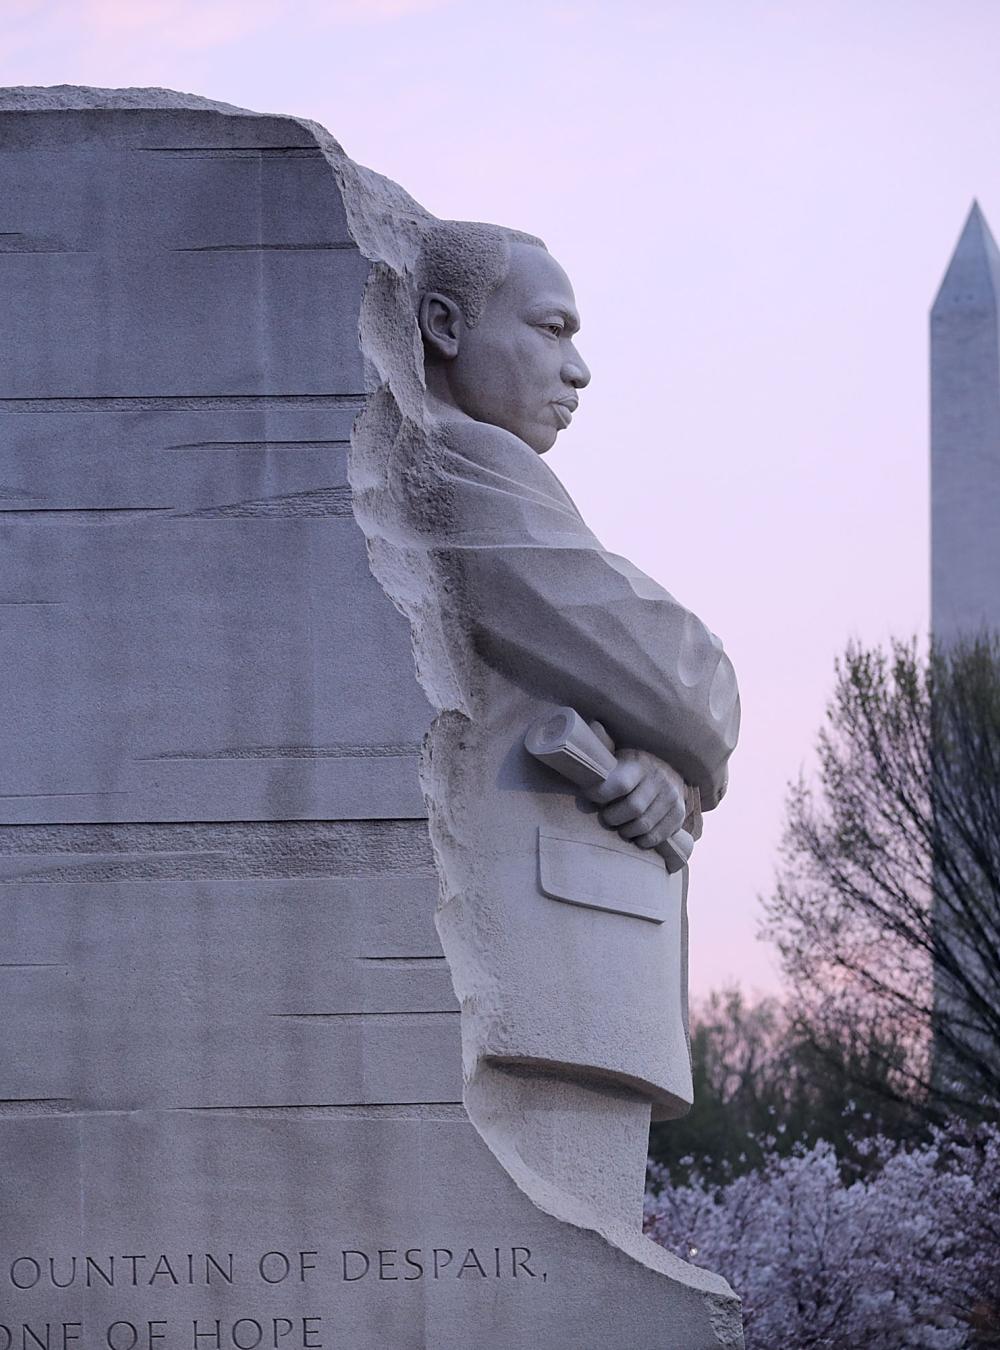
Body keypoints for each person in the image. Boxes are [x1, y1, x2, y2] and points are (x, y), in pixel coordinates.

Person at [399, 218, 740, 1233]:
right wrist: (691, 721)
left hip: (577, 952)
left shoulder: (495, 471)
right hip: (544, 963)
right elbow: (671, 668)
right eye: (550, 330)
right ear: (445, 324)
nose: (577, 369)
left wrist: (665, 772)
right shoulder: (457, 459)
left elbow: (623, 693)